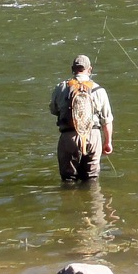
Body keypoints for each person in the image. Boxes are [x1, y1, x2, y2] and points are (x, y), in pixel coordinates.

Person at [51, 54, 114, 182]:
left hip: (69, 136)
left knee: (68, 179)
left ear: (72, 69)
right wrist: (107, 142)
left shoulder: (61, 87)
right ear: (89, 69)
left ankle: (69, 200)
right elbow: (106, 120)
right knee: (91, 179)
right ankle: (92, 200)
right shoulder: (99, 90)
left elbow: (54, 110)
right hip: (93, 136)